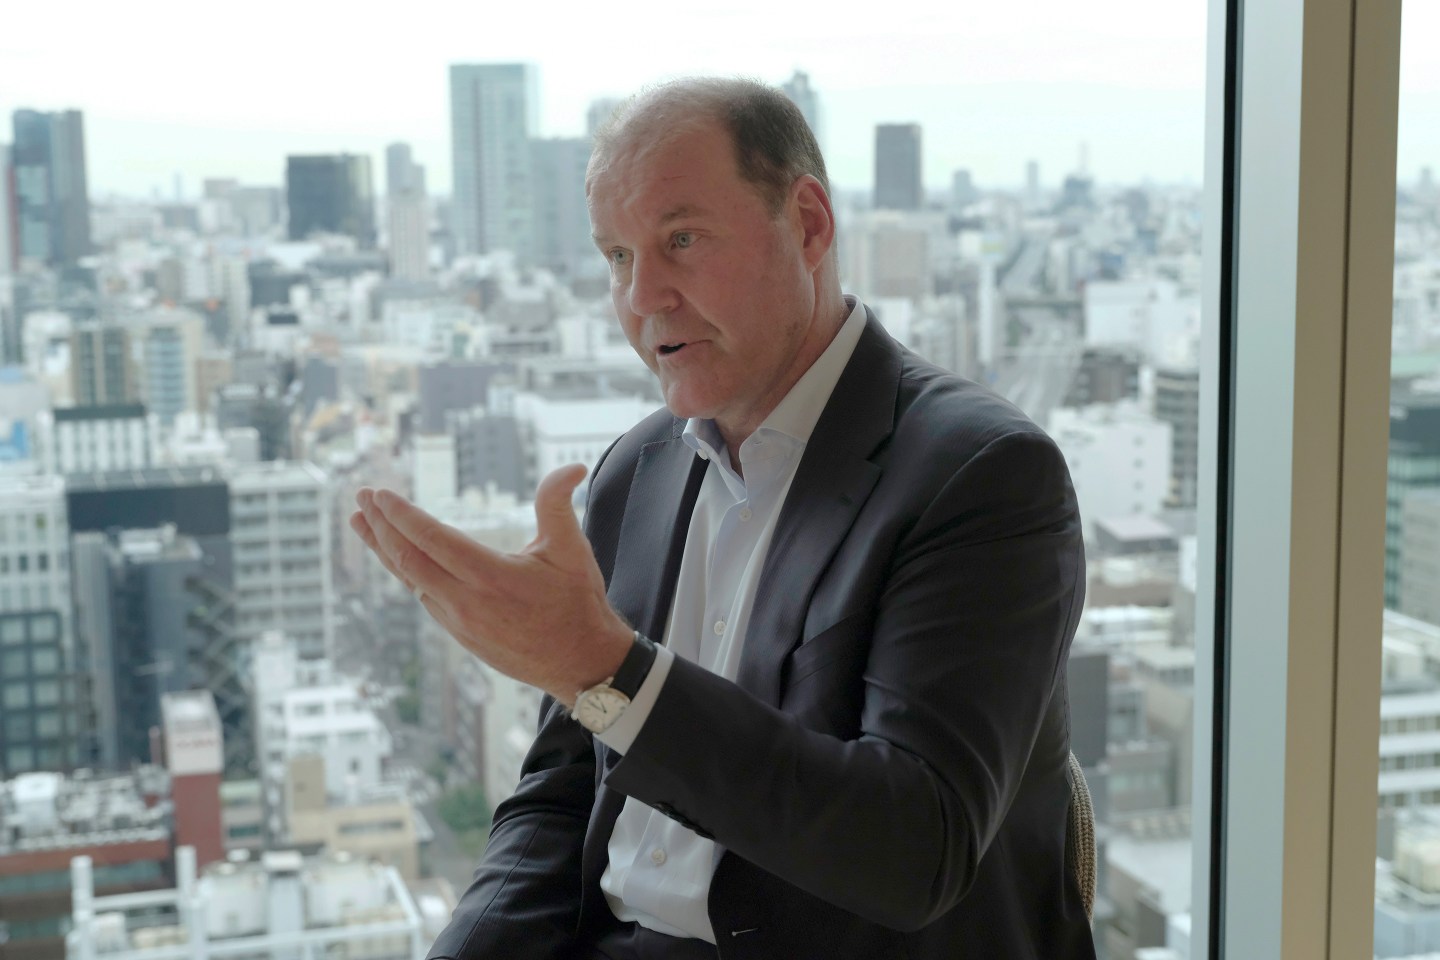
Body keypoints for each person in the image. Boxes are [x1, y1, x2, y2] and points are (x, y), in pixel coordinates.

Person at [351, 76, 1095, 960]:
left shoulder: (981, 477)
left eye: (682, 239)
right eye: (618, 257)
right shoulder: (637, 468)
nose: (642, 297)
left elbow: (914, 851)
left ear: (809, 224)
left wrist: (603, 668)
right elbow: (559, 797)